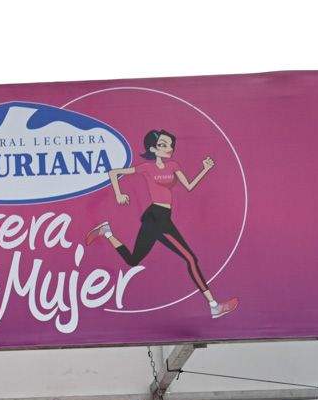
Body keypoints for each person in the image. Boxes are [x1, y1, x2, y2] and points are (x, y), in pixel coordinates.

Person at [82, 129, 238, 319]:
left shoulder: (173, 165)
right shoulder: (146, 168)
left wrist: (204, 169)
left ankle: (106, 232)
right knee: (190, 258)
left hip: (162, 217)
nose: (169, 148)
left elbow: (188, 186)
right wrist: (118, 194)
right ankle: (214, 306)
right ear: (153, 149)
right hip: (156, 217)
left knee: (133, 260)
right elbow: (113, 172)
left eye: (170, 145)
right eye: (163, 145)